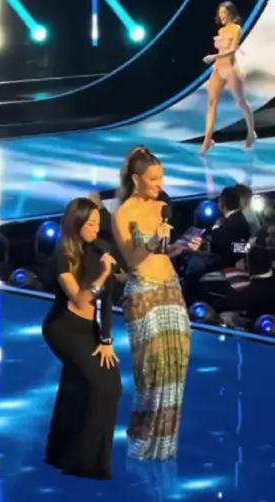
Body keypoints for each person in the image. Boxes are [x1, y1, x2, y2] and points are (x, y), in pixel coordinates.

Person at [113, 146, 201, 460]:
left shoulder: (162, 206)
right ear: (136, 179)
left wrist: (181, 246)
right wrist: (153, 241)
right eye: (153, 179)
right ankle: (142, 445)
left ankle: (166, 446)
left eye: (162, 177)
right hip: (143, 293)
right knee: (152, 370)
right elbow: (133, 259)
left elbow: (162, 252)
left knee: (176, 363)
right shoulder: (123, 213)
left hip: (171, 289)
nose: (160, 184)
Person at [43, 197, 122, 480]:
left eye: (98, 224)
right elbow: (79, 299)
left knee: (102, 385)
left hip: (91, 329)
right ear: (75, 224)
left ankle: (65, 454)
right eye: (90, 224)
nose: (95, 230)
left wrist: (106, 339)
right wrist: (102, 274)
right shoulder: (63, 256)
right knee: (100, 385)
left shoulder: (99, 249)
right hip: (64, 328)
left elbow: (107, 300)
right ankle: (84, 461)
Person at [201, 1, 256, 154]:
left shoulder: (236, 29)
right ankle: (207, 139)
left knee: (241, 102)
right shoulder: (221, 31)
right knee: (212, 103)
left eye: (224, 13)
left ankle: (251, 133)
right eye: (220, 14)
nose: (221, 16)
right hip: (218, 70)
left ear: (231, 13)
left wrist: (213, 56)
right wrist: (215, 59)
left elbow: (232, 50)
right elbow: (222, 51)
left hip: (230, 70)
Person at [210, 186, 251, 269]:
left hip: (229, 266)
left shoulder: (232, 222)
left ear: (223, 203)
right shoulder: (236, 217)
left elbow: (217, 242)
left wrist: (216, 227)